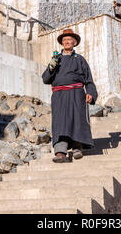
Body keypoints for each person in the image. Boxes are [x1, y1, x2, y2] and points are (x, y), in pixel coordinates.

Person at [42, 28, 98, 163]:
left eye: (69, 40)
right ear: (62, 43)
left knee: (77, 120)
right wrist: (51, 68)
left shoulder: (80, 60)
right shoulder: (56, 59)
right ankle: (60, 152)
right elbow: (45, 79)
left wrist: (90, 92)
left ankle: (77, 147)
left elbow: (88, 79)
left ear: (74, 43)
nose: (67, 42)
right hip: (59, 96)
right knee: (60, 122)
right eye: (64, 40)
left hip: (77, 94)